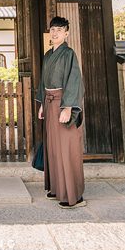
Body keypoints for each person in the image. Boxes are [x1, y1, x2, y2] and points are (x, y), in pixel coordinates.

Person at [36, 16, 86, 209]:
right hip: (49, 104)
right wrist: (42, 104)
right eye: (52, 29)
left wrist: (67, 107)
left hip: (63, 102)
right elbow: (44, 82)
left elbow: (74, 81)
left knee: (66, 148)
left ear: (66, 33)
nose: (55, 32)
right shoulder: (49, 55)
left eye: (59, 29)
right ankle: (57, 188)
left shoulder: (69, 54)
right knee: (53, 148)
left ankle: (73, 195)